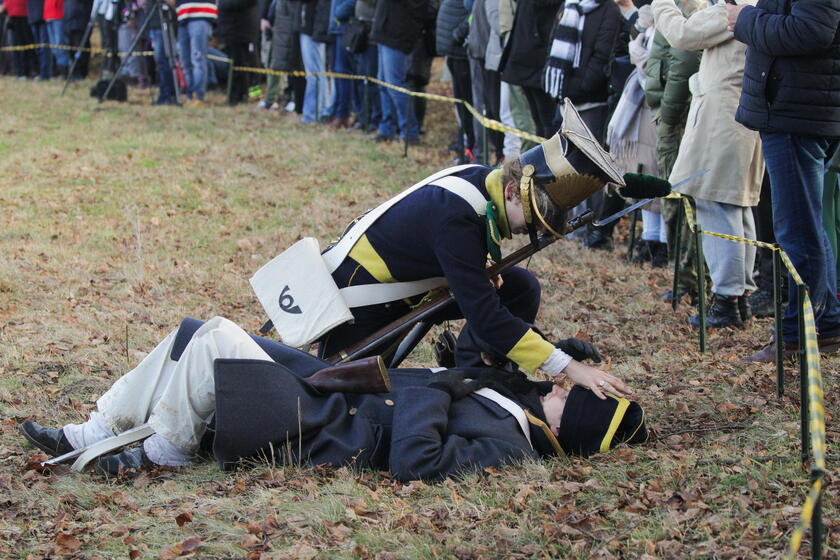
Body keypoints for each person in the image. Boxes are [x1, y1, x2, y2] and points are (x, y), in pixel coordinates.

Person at [19, 316, 648, 479]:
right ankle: (99, 429)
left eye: (572, 396)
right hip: (338, 387)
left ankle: (170, 449)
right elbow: (473, 360)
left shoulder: (512, 449)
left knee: (215, 343)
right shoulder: (525, 406)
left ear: (576, 430)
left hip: (327, 427)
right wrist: (546, 346)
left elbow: (417, 463)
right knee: (195, 333)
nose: (563, 388)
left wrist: (435, 390)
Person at [728, 0, 840, 361]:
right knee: (806, 226)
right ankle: (828, 324)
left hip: (798, 115)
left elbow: (810, 31)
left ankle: (797, 335)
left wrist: (744, 18)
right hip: (798, 109)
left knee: (797, 230)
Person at [653, 0, 763, 329]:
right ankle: (738, 296)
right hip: (735, 121)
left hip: (722, 123)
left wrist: (662, 4)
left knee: (717, 206)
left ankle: (727, 298)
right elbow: (704, 19)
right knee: (735, 209)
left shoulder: (735, 8)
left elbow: (683, 34)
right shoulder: (748, 7)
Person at [175, 0, 217, 104]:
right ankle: (190, 96)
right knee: (185, 61)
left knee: (197, 59)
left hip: (201, 13)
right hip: (182, 15)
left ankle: (198, 96)